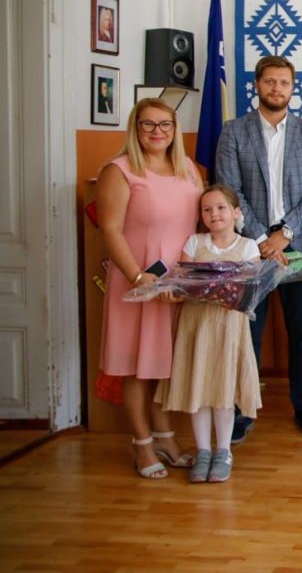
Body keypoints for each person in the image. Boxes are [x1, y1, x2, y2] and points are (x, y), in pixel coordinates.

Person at [215, 55, 302, 439]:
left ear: (293, 89)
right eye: (270, 81)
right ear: (257, 85)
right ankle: (243, 409)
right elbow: (230, 190)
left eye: (284, 82)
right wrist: (263, 239)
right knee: (249, 333)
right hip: (251, 251)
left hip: (300, 249)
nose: (277, 88)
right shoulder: (234, 132)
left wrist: (286, 234)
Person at [95, 97, 201, 478]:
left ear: (175, 129)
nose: (158, 131)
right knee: (137, 366)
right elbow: (110, 230)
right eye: (149, 124)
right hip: (138, 281)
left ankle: (165, 437)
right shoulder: (119, 170)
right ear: (135, 128)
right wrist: (139, 277)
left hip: (177, 282)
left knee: (164, 365)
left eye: (165, 124)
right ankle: (141, 442)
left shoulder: (188, 169)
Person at [156, 184, 262, 483]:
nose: (214, 214)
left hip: (229, 327)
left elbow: (250, 291)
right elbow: (183, 282)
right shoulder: (194, 242)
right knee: (199, 386)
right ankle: (203, 450)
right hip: (196, 325)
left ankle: (223, 451)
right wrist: (172, 292)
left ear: (236, 212)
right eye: (207, 209)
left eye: (221, 208)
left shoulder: (248, 247)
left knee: (222, 389)